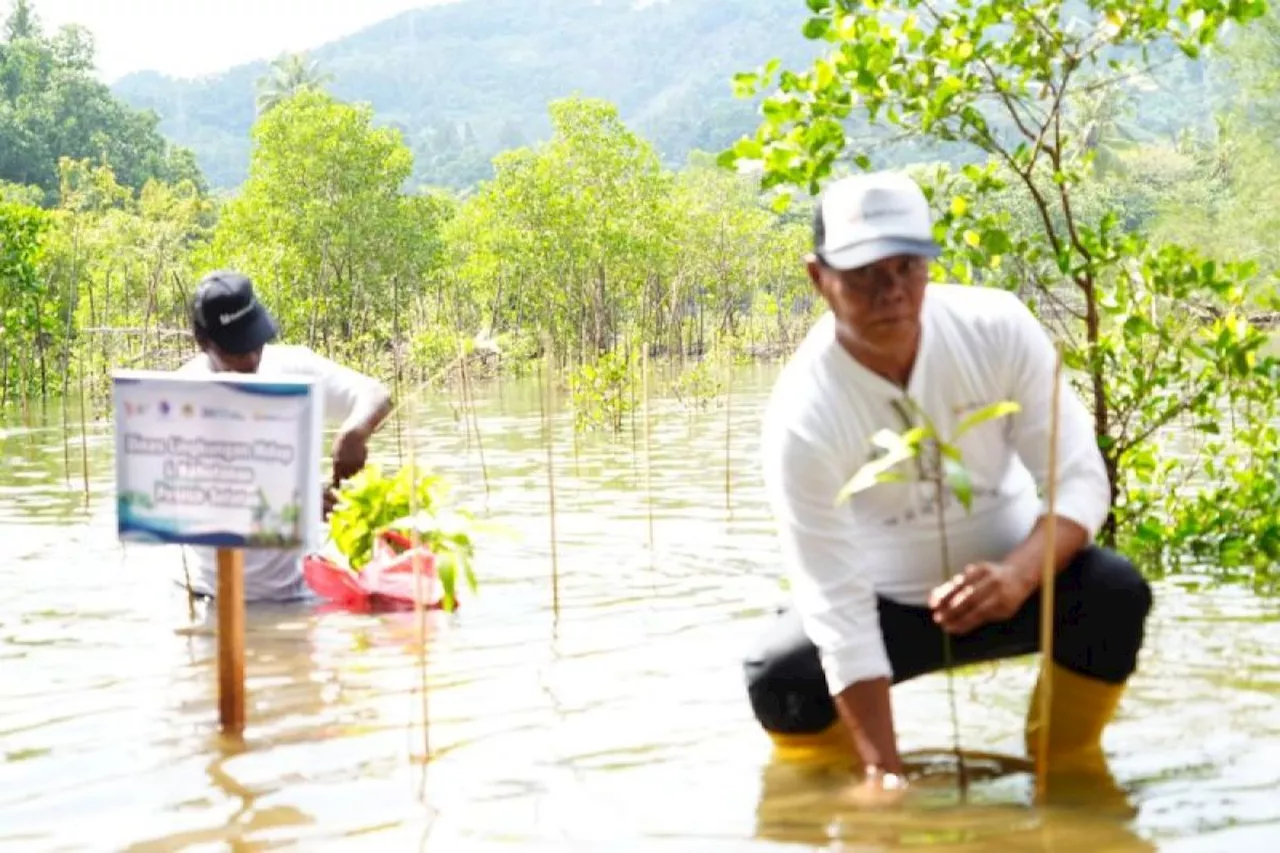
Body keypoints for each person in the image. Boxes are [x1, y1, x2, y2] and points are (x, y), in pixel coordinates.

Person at [743, 170, 1153, 806]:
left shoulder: (997, 327)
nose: (891, 293)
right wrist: (886, 775)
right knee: (783, 674)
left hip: (1021, 585)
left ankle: (1068, 772)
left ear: (930, 264)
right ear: (819, 279)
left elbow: (1079, 479)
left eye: (907, 267)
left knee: (1113, 593)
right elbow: (836, 602)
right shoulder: (803, 412)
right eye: (863, 274)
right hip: (887, 609)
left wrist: (1017, 575)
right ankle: (840, 784)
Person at [175, 270, 393, 603]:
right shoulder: (175, 399)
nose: (251, 359)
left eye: (256, 342)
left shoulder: (293, 368)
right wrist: (293, 502)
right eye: (236, 350)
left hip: (299, 594)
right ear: (204, 343)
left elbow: (375, 393)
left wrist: (353, 434)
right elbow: (172, 504)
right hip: (208, 597)